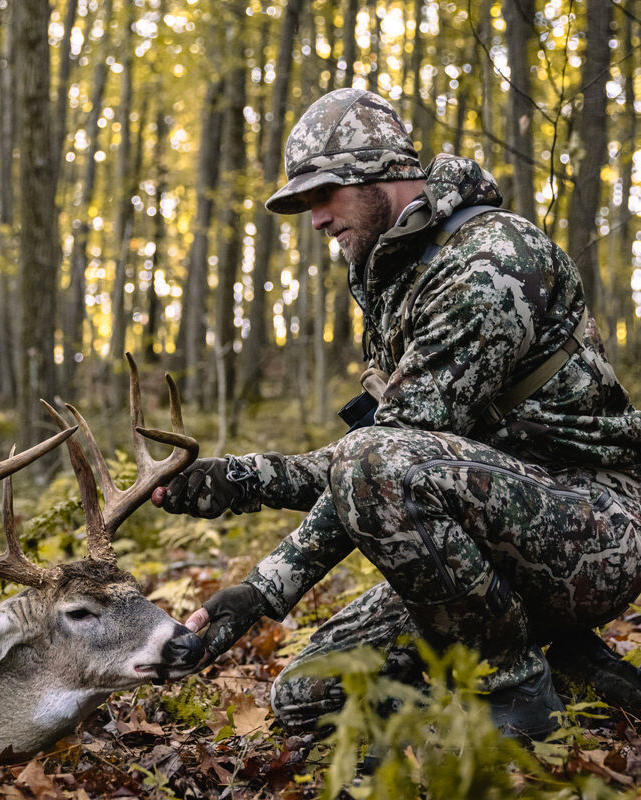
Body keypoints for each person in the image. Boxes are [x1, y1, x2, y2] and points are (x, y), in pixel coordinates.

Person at [153, 87, 641, 739]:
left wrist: (251, 538)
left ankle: (517, 694)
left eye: (323, 193)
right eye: (302, 203)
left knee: (372, 459)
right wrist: (250, 535)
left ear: (382, 173)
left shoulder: (488, 262)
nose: (315, 219)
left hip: (599, 532)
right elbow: (383, 466)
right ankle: (571, 667)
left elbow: (378, 462)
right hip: (500, 548)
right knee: (309, 698)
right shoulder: (394, 286)